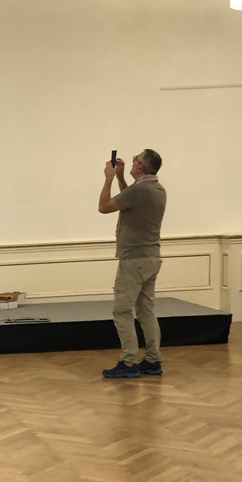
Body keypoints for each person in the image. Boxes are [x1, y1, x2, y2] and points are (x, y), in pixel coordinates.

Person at [98, 149, 167, 379]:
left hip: (134, 260)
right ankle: (152, 360)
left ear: (140, 167)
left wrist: (108, 177)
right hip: (150, 258)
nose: (132, 160)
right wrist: (120, 177)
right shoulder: (155, 188)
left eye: (135, 159)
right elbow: (129, 199)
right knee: (146, 310)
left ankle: (128, 362)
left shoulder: (141, 189)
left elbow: (104, 207)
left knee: (122, 310)